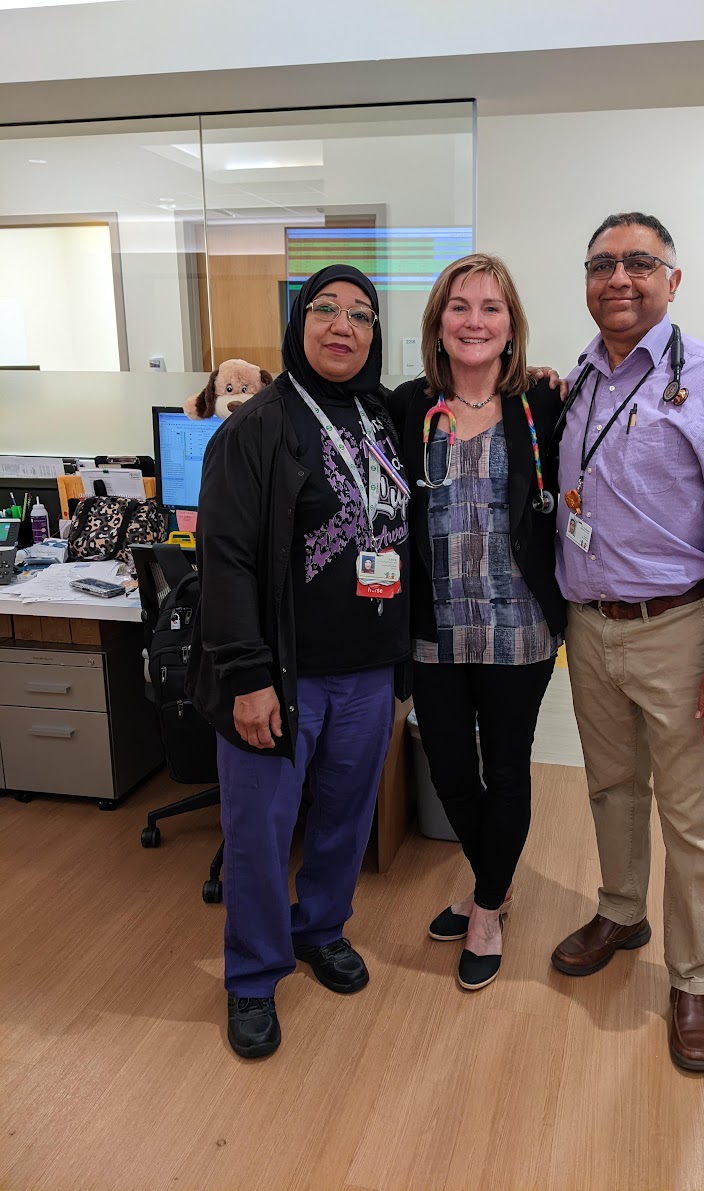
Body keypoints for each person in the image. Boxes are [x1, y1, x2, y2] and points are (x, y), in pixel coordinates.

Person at [549, 213, 704, 1072]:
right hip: (590, 627)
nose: (620, 278)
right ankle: (620, 909)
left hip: (681, 631)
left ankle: (694, 978)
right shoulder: (578, 381)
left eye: (640, 262)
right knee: (610, 787)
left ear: (672, 279)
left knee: (695, 819)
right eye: (603, 263)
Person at [187, 264, 411, 1059]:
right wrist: (247, 676)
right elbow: (225, 561)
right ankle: (251, 976)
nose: (342, 325)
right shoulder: (254, 428)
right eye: (326, 310)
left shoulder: (383, 417)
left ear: (375, 332)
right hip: (279, 676)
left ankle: (320, 927)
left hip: (367, 668)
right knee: (258, 830)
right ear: (300, 322)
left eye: (360, 313)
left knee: (345, 820)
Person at [390, 253, 565, 991]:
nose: (474, 320)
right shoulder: (404, 407)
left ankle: (486, 904)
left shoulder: (543, 406)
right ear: (437, 323)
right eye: (459, 306)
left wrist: (559, 377)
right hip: (435, 626)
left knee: (507, 770)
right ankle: (495, 876)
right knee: (453, 774)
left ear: (511, 326)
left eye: (491, 308)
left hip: (519, 627)